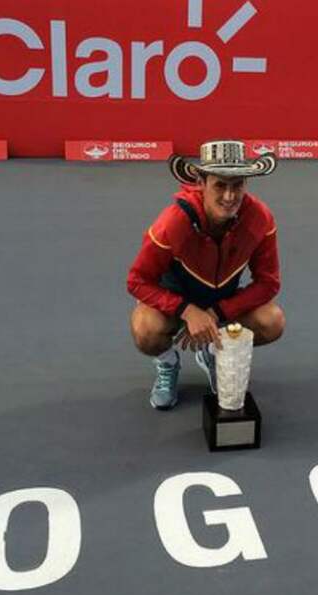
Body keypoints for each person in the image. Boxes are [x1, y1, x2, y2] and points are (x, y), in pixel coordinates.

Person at [127, 140, 286, 410]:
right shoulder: (172, 223)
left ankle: (214, 353)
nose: (229, 196)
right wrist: (187, 311)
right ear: (201, 182)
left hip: (221, 305)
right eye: (220, 185)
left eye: (237, 185)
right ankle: (168, 363)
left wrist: (216, 313)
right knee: (145, 330)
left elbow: (268, 283)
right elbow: (137, 281)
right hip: (175, 305)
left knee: (272, 322)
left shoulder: (260, 218)